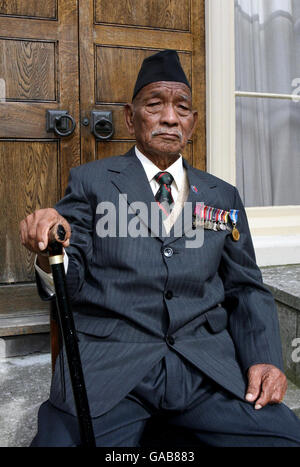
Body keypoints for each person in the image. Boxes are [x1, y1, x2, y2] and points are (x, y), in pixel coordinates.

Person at [20, 50, 300, 447]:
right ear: (131, 117)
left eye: (182, 108)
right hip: (112, 370)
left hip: (205, 370)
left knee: (285, 439)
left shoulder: (222, 195)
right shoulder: (92, 182)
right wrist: (50, 247)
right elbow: (72, 272)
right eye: (155, 105)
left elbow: (246, 286)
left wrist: (266, 358)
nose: (170, 117)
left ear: (193, 123)